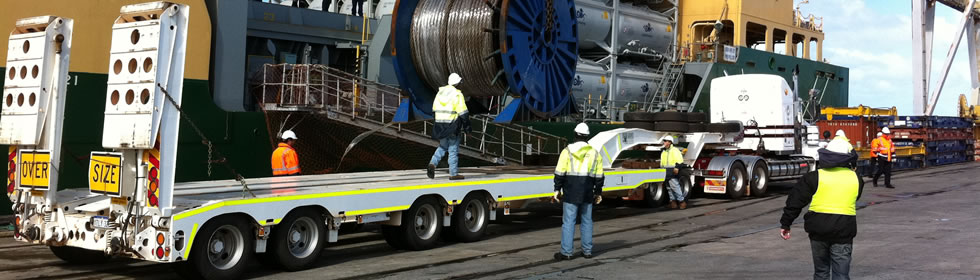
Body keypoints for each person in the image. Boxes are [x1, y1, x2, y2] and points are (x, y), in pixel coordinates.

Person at [780, 135, 863, 280]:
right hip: (843, 231)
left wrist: (786, 223)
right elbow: (855, 197)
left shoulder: (813, 177)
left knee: (821, 272)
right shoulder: (856, 179)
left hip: (818, 230)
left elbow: (796, 201)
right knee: (841, 275)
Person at [553, 123, 604, 260]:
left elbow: (559, 173)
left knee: (569, 222)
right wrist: (598, 192)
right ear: (587, 136)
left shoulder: (567, 151)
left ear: (575, 134)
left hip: (570, 191)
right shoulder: (594, 153)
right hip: (587, 192)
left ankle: (567, 252)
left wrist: (557, 189)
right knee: (587, 221)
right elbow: (599, 176)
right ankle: (587, 251)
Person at [427, 73, 470, 180]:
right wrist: (468, 130)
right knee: (453, 149)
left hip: (440, 126)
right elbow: (464, 114)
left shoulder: (440, 93)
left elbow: (434, 110)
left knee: (442, 146)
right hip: (452, 126)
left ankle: (432, 163)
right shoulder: (457, 95)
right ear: (457, 83)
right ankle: (453, 173)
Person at [660, 135, 686, 209]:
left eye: (665, 141)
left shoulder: (675, 150)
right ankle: (673, 202)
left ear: (669, 142)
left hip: (672, 171)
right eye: (664, 141)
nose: (664, 142)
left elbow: (680, 161)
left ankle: (681, 202)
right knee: (669, 188)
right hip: (665, 171)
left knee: (675, 186)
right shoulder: (664, 151)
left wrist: (677, 168)